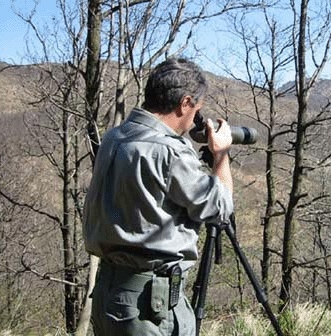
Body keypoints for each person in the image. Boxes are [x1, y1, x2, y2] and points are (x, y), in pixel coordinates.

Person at [82, 58, 233, 336]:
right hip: (149, 305)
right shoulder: (168, 151)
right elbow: (220, 207)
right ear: (185, 103)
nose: (194, 119)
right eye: (196, 110)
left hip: (110, 293)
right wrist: (221, 155)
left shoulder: (115, 137)